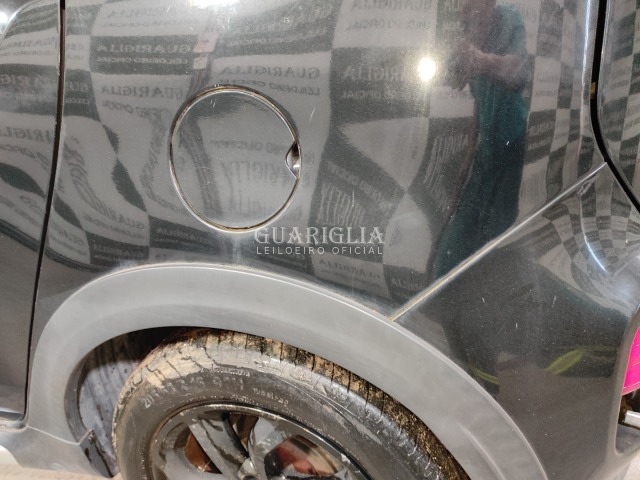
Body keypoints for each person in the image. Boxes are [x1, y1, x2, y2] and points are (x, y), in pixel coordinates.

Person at [432, 0, 529, 280]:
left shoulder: (508, 18)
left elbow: (516, 72)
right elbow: (457, 82)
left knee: (498, 234)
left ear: (489, 4)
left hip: (513, 145)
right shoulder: (471, 31)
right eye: (464, 13)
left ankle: (483, 285)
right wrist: (455, 64)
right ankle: (444, 283)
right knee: (455, 243)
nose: (469, 18)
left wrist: (480, 60)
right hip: (487, 150)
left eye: (474, 10)